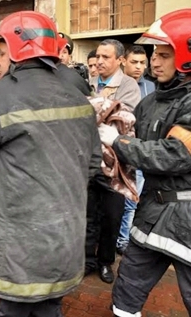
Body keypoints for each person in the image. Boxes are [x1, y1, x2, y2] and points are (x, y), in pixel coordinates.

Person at [0, 11, 101, 317]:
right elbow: (93, 163)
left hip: (17, 246)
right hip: (65, 240)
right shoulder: (78, 96)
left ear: (19, 50)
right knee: (48, 304)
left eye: (2, 53)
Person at [97, 9, 191, 316]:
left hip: (186, 219)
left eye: (164, 54)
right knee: (126, 294)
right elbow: (132, 139)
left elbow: (174, 155)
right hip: (151, 212)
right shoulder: (150, 101)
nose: (154, 60)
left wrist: (117, 141)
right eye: (154, 53)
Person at [84, 39, 142, 284]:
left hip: (116, 165)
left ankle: (105, 262)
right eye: (98, 56)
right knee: (88, 215)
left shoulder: (129, 86)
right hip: (89, 160)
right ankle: (87, 260)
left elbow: (122, 117)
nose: (99, 61)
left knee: (111, 216)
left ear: (119, 60)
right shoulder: (88, 82)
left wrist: (92, 109)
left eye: (106, 57)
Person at [116, 45, 155, 255]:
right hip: (120, 150)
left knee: (132, 201)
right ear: (123, 61)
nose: (139, 67)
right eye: (134, 62)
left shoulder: (151, 87)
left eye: (143, 62)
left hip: (143, 152)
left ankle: (123, 240)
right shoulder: (117, 85)